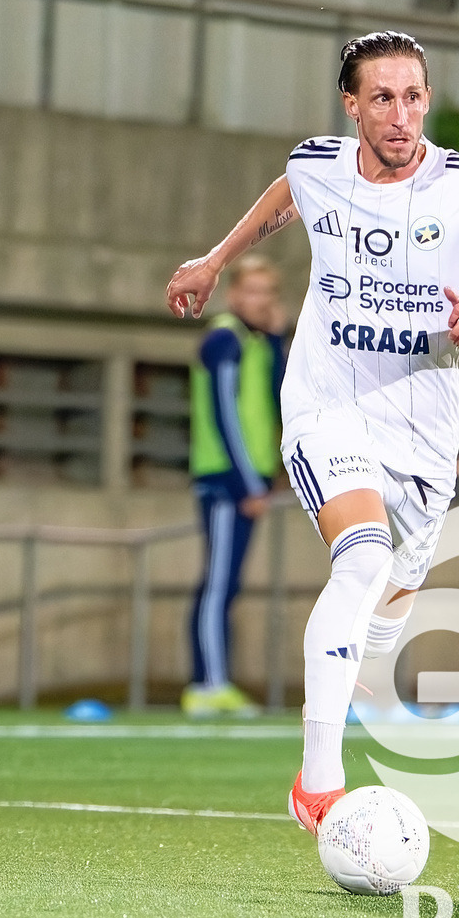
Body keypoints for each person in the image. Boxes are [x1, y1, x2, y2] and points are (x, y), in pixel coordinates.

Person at [167, 31, 459, 831]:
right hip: (326, 409)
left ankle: (358, 675)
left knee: (386, 615)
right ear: (351, 105)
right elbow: (288, 192)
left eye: (413, 96)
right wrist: (212, 260)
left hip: (422, 435)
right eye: (382, 98)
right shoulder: (319, 164)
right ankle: (317, 784)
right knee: (362, 557)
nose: (400, 114)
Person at [181, 256, 286, 717]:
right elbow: (224, 411)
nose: (261, 301)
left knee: (228, 582)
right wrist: (247, 485)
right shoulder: (225, 338)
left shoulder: (258, 342)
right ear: (234, 294)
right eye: (253, 291)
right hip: (227, 481)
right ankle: (207, 684)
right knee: (218, 582)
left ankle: (214, 681)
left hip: (250, 479)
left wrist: (278, 339)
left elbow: (279, 398)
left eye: (268, 292)